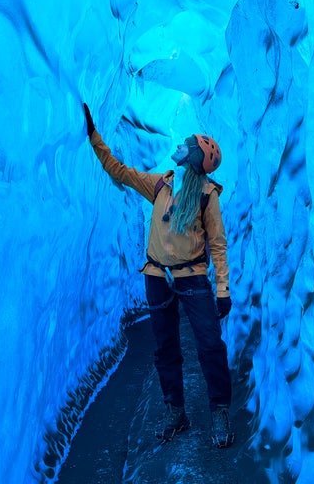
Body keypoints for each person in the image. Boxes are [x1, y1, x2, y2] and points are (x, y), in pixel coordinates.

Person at [82, 103, 235, 449]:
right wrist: (94, 137)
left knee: (210, 346)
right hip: (156, 275)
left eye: (187, 145)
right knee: (166, 347)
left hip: (193, 278)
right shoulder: (159, 185)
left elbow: (219, 245)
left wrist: (222, 289)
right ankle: (175, 411)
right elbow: (119, 171)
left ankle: (220, 411)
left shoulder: (207, 196)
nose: (180, 147)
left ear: (195, 158)